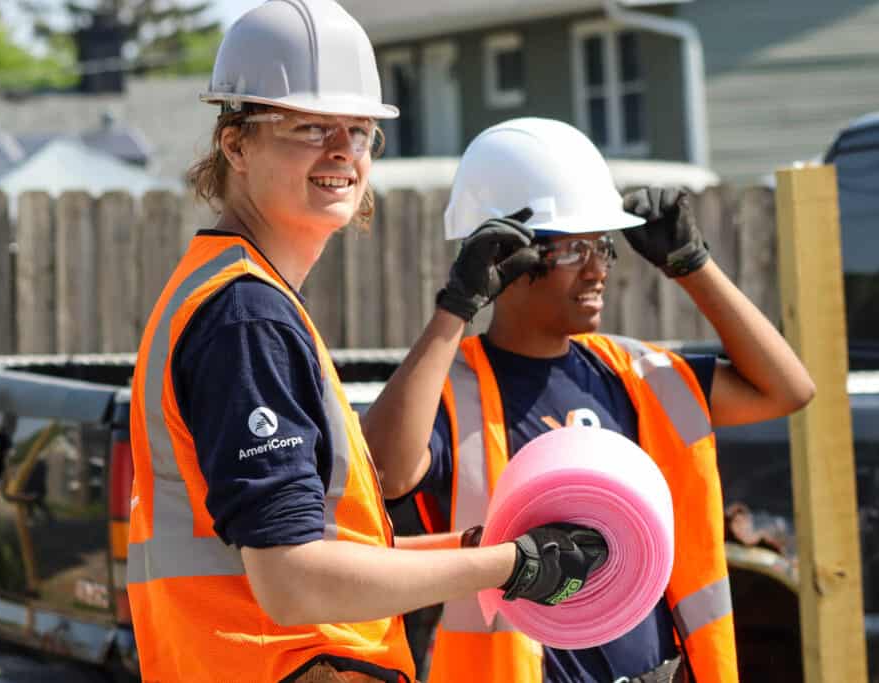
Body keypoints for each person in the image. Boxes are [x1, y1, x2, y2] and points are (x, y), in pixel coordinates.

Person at [126, 6, 606, 683]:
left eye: (358, 131)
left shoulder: (239, 292)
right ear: (235, 145)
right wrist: (511, 565)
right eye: (309, 127)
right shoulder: (248, 318)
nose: (342, 151)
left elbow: (325, 551)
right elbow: (293, 581)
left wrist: (483, 549)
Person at [363, 118, 816, 683]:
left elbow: (788, 389)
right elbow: (384, 473)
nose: (599, 268)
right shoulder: (453, 389)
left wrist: (693, 265)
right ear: (505, 254)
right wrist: (456, 306)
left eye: (602, 246)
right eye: (575, 249)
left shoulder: (636, 375)